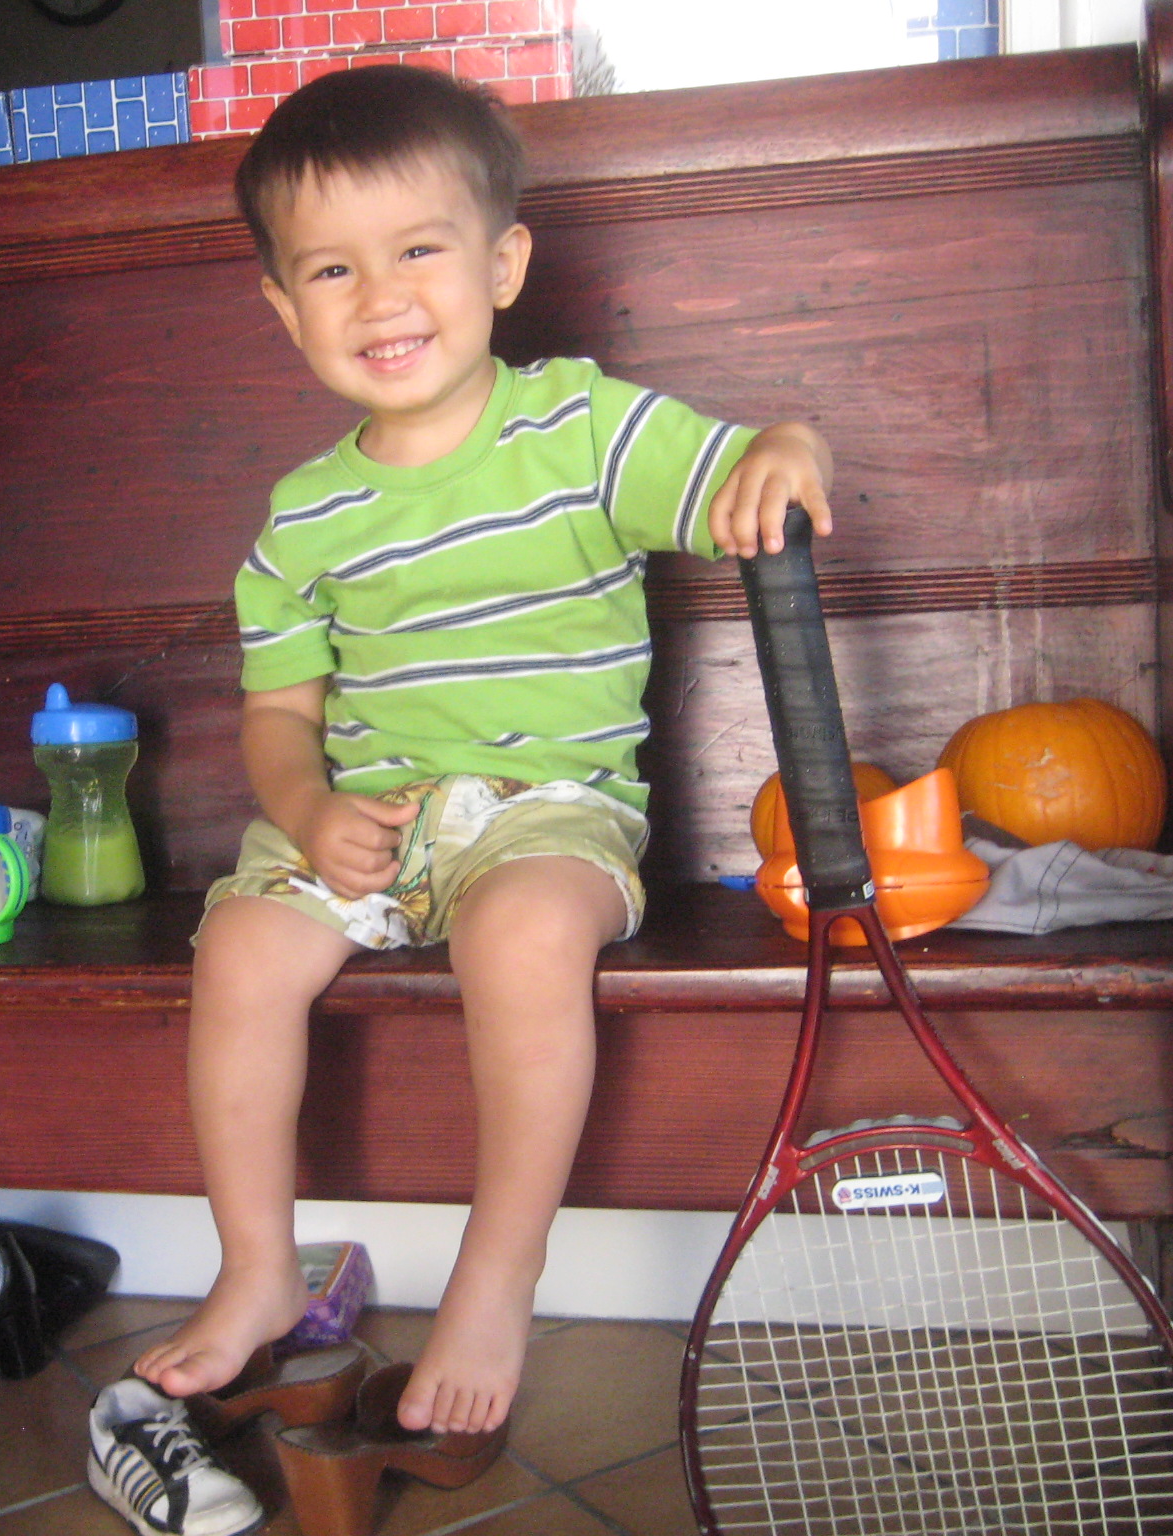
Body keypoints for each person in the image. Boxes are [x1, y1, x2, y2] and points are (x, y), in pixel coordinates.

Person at [134, 64, 834, 1438]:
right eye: (331, 270)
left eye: (418, 251)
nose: (379, 299)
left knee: (520, 936)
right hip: (370, 822)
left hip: (547, 814)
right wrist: (309, 809)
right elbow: (278, 718)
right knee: (241, 950)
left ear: (503, 265)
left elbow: (739, 469)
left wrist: (788, 446)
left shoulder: (582, 429)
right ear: (283, 307)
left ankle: (496, 1276)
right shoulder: (303, 517)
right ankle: (258, 1267)